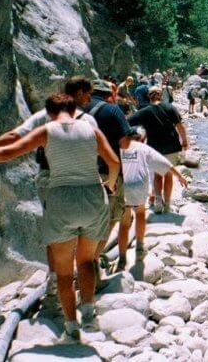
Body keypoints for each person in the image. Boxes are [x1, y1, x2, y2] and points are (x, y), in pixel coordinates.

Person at [0, 93, 118, 341]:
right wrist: (109, 185)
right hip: (94, 196)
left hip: (61, 198)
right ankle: (90, 314)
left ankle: (71, 328)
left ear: (49, 112)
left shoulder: (47, 130)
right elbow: (113, 161)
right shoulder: (92, 129)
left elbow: (10, 152)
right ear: (74, 110)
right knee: (86, 262)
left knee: (63, 272)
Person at [0, 76, 98, 297]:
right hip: (86, 184)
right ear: (78, 93)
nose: (89, 98)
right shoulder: (89, 122)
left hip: (52, 181)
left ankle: (56, 283)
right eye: (87, 93)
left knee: (56, 235)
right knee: (84, 237)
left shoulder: (45, 118)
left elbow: (12, 141)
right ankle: (86, 297)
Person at [118, 126, 188, 265]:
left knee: (124, 223)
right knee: (139, 214)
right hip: (139, 185)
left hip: (123, 185)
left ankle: (122, 257)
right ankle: (139, 248)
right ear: (143, 139)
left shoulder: (120, 146)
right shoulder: (145, 148)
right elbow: (164, 163)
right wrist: (179, 176)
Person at [84, 79, 131, 276]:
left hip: (79, 172)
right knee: (109, 219)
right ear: (108, 94)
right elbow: (125, 144)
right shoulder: (113, 111)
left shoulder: (76, 110)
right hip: (107, 173)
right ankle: (91, 263)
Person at [128, 86, 189, 213]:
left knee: (157, 175)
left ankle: (157, 203)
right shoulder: (170, 107)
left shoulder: (145, 111)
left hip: (155, 146)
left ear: (148, 97)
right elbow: (180, 125)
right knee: (168, 175)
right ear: (161, 95)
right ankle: (167, 205)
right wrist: (185, 141)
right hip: (172, 145)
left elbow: (128, 122)